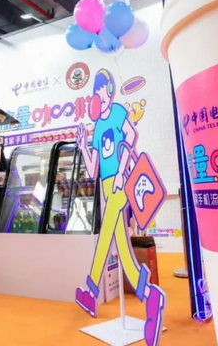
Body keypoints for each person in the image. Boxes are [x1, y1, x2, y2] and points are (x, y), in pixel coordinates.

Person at [74, 70, 165, 346]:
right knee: (123, 249)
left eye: (101, 89)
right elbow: (93, 169)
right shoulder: (97, 127)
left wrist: (123, 171)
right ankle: (149, 296)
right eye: (95, 90)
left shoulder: (116, 112)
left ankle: (90, 290)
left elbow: (130, 136)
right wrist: (83, 146)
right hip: (105, 185)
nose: (98, 94)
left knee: (105, 236)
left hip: (119, 183)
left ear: (109, 90)